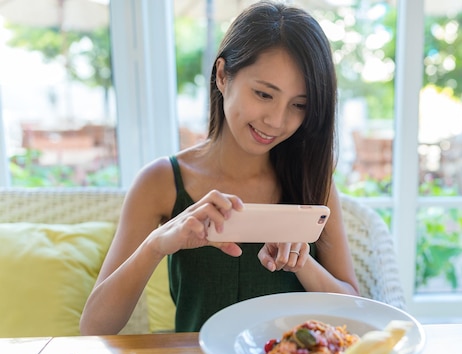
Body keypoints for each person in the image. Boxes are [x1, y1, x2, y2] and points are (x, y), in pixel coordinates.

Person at [80, 1, 360, 335]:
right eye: (263, 94)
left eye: (299, 105)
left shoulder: (312, 181)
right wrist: (157, 245)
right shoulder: (162, 181)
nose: (277, 121)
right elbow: (94, 327)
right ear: (223, 75)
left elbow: (355, 309)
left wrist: (302, 262)